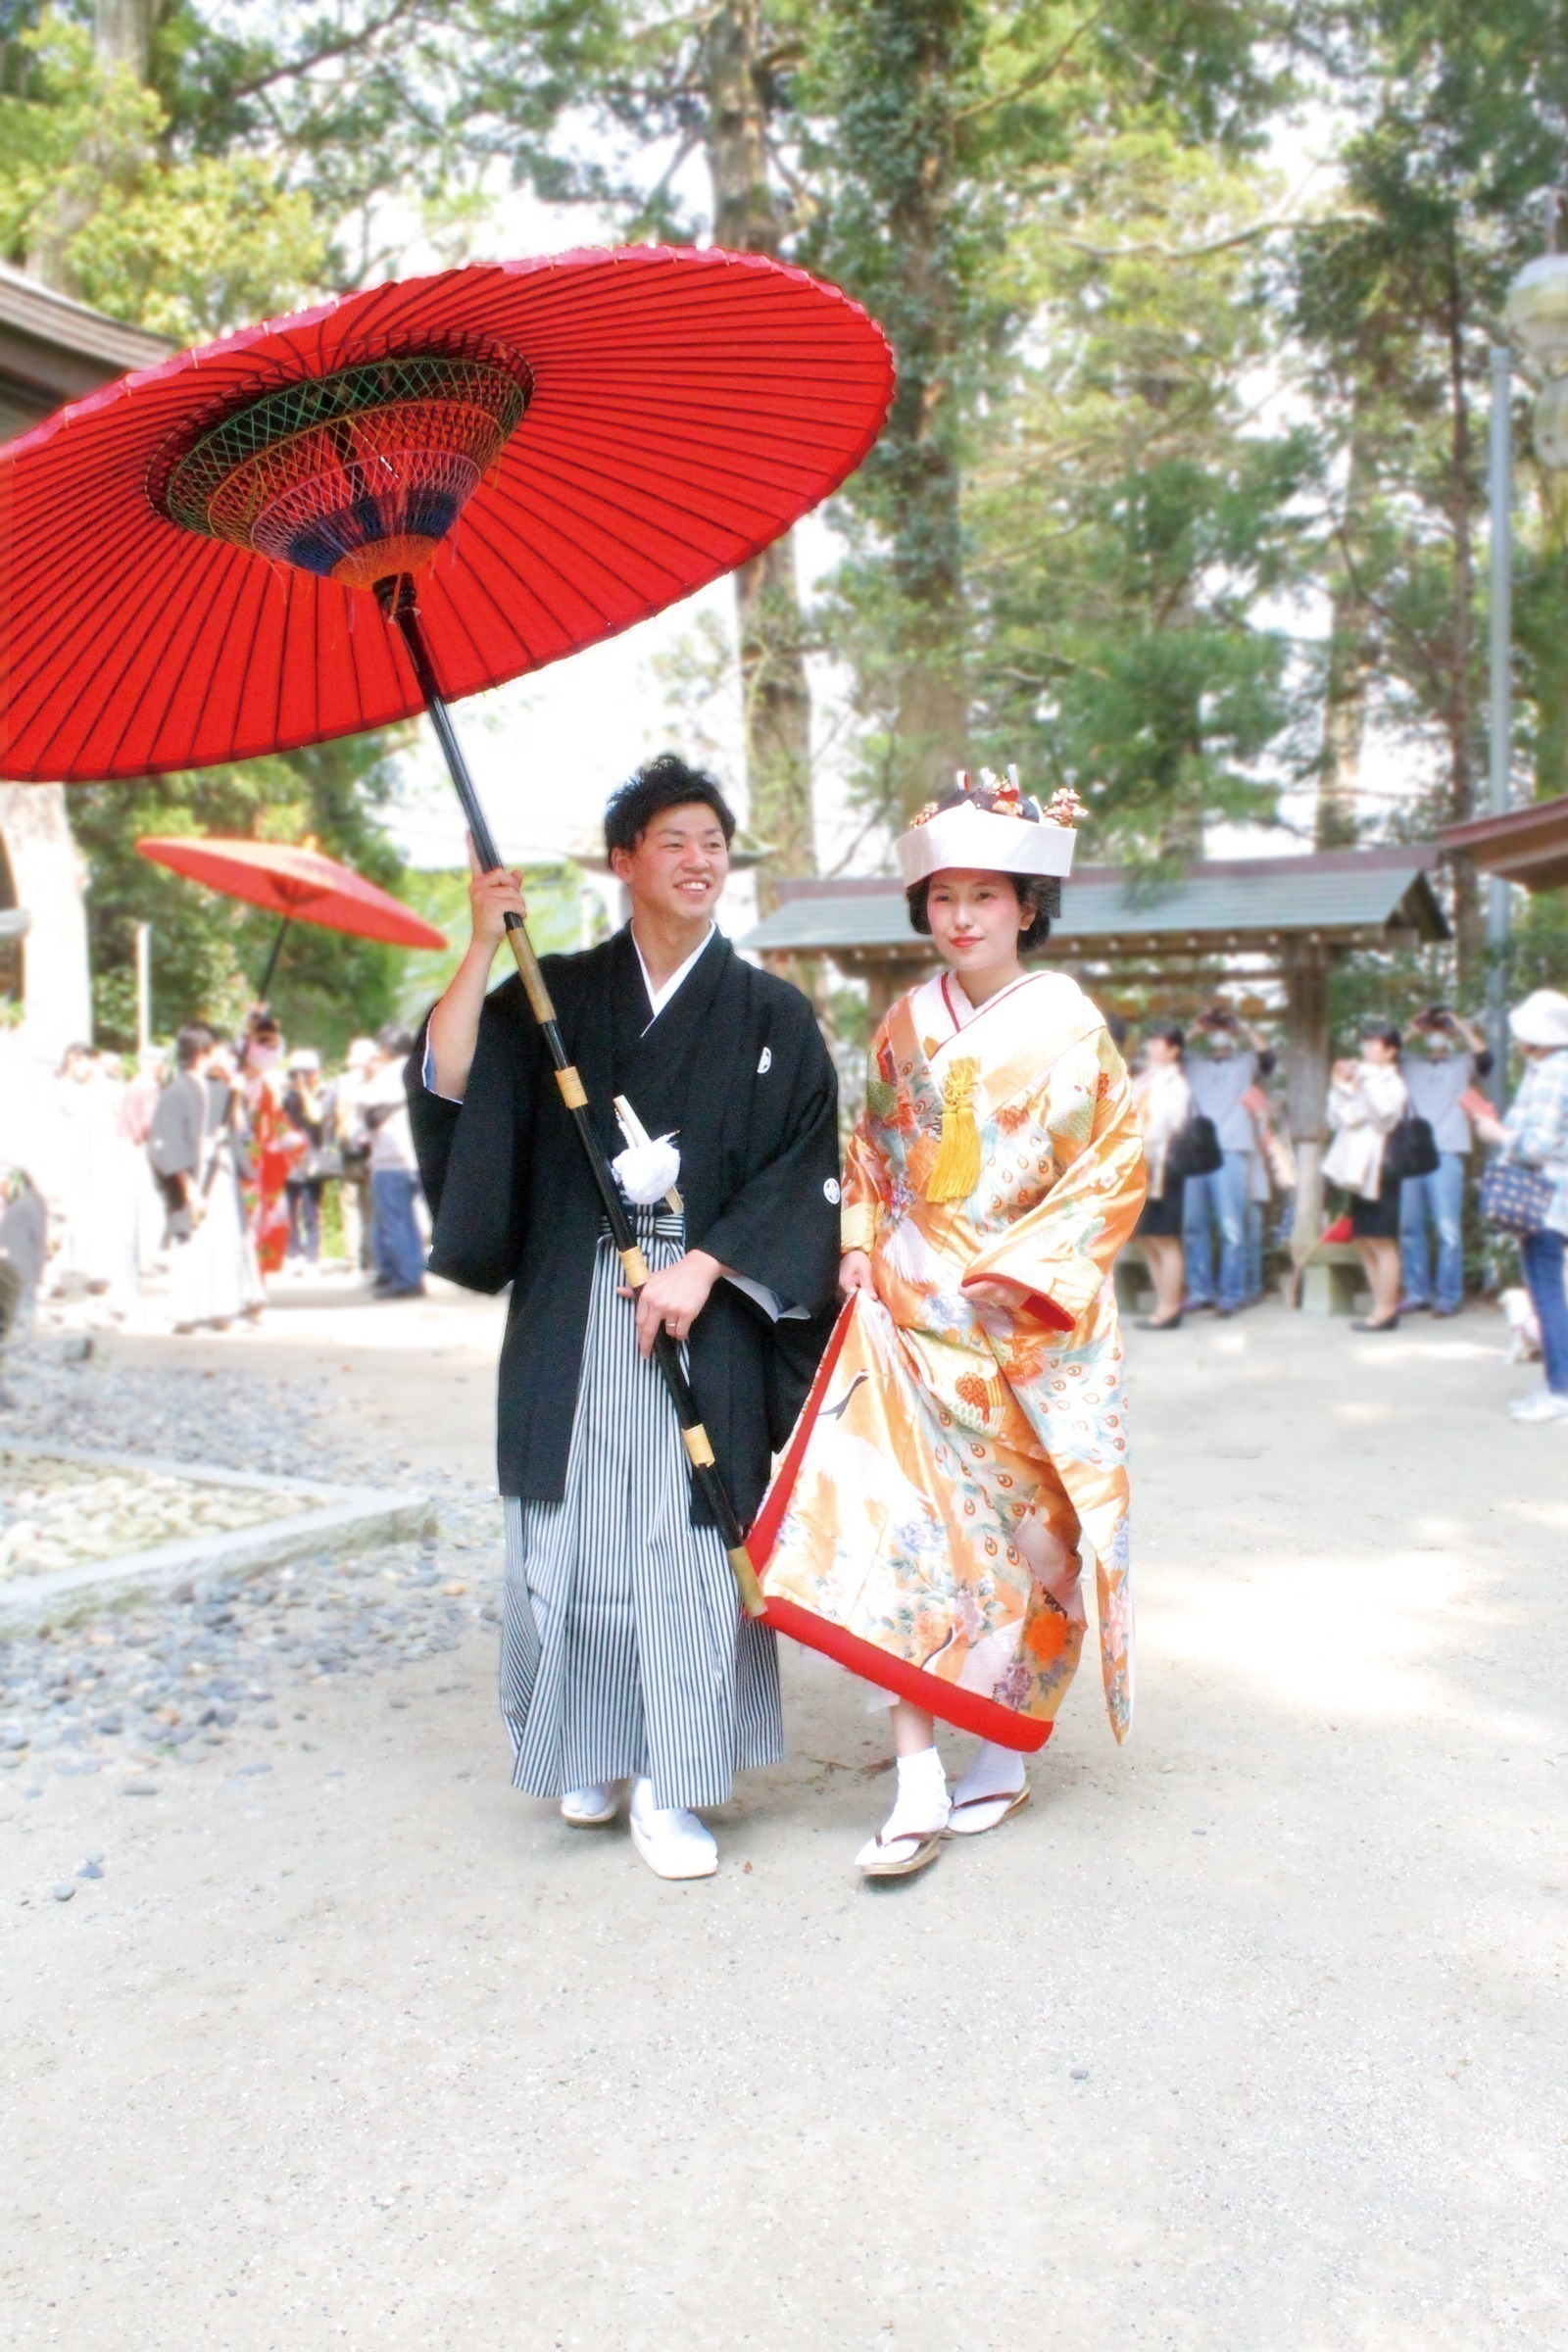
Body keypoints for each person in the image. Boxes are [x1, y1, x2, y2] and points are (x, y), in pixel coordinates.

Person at [408, 754, 840, 1881]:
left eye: (714, 843)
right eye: (674, 842)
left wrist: (705, 1265)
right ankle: (591, 1747)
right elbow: (453, 1083)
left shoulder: (771, 1015)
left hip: (706, 1309)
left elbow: (805, 1166)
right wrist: (479, 936)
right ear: (623, 862)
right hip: (578, 1304)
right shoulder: (556, 998)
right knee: (578, 1540)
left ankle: (671, 1778)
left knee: (685, 1546)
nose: (700, 862)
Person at [751, 770, 1147, 1879]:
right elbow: (870, 1148)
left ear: (1027, 906)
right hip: (905, 1315)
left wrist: (1024, 1269)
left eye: (985, 896)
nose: (961, 917)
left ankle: (1001, 1750)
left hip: (1017, 1322)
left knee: (1034, 1545)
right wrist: (859, 1244)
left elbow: (1113, 1167)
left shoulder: (1071, 1026)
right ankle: (917, 1767)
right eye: (941, 898)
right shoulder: (901, 1026)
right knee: (895, 1526)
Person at [1472, 989, 1568, 1422]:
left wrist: (1497, 1134)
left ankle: (1562, 1392)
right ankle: (1554, 1384)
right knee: (1545, 1293)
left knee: (1547, 1296)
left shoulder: (1553, 1074)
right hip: (1550, 1196)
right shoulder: (1545, 1069)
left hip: (1546, 1197)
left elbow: (1535, 1146)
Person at [147, 1025, 263, 1334]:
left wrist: (236, 1093)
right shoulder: (176, 1092)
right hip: (195, 1176)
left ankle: (223, 1309)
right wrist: (188, 1188)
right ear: (201, 1053)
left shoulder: (218, 1087)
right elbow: (166, 1144)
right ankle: (185, 1313)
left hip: (220, 1173)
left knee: (224, 1241)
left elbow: (238, 1127)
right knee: (192, 1242)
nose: (221, 1056)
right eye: (214, 1050)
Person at [1182, 1007, 1275, 1315]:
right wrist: (1198, 1027)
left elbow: (1268, 1057)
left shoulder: (1246, 1063)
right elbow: (1168, 1053)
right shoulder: (1193, 1062)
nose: (1220, 1031)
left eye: (1224, 1027)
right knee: (1194, 1225)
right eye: (1216, 1027)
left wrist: (1243, 1025)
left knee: (1231, 1226)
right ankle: (1200, 1290)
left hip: (1232, 1148)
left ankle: (1231, 1294)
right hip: (1196, 1149)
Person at [1398, 1006, 1491, 1318]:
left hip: (1448, 1151)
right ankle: (1416, 1292)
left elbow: (1486, 1059)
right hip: (1411, 1153)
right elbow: (1384, 1054)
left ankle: (1448, 1295)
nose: (1436, 1031)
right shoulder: (1409, 1063)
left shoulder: (1463, 1064)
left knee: (1448, 1229)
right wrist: (1414, 1028)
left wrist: (1460, 1026)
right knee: (1410, 1228)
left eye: (1441, 1027)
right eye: (1433, 1027)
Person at [1322, 1024, 1408, 1332]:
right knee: (1362, 1239)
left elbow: (1384, 1116)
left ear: (1391, 1051)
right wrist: (1339, 1085)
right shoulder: (1365, 1079)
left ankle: (1387, 1310)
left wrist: (1367, 1079)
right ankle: (1380, 1303)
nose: (1368, 1050)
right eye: (1367, 1043)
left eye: (1376, 1045)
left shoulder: (1393, 1082)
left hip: (1382, 1168)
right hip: (1356, 1171)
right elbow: (1338, 1119)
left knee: (1383, 1240)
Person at [1132, 1024, 1193, 1329]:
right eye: (1152, 1040)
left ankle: (1170, 1308)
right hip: (1140, 1164)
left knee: (1164, 1238)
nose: (1153, 1046)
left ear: (1174, 1050)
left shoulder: (1175, 1082)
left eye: (1160, 1042)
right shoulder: (1146, 1078)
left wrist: (1142, 1142)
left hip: (1163, 1165)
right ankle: (1165, 1302)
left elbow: (1171, 1123)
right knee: (1146, 1236)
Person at [363, 1025, 426, 1298]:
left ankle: (406, 1280)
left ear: (386, 1049)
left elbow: (369, 1118)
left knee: (396, 1221)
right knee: (409, 1221)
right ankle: (412, 1274)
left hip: (391, 1159)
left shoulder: (383, 1077)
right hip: (418, 1156)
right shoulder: (419, 1068)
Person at [240, 1009, 301, 1279]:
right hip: (237, 1163)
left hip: (264, 1166)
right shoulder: (231, 1081)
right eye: (266, 1044)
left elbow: (277, 1123)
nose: (272, 1051)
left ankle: (255, 1284)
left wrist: (292, 1142)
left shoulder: (266, 1087)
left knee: (266, 1224)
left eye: (275, 1045)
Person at [282, 1047, 332, 1271]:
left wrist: (304, 1091)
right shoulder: (286, 1095)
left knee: (311, 1209)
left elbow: (316, 1116)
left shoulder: (323, 1093)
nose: (302, 1077)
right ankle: (293, 1252)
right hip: (289, 1158)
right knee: (289, 1208)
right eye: (298, 1072)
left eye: (307, 1072)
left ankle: (312, 1255)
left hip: (313, 1157)